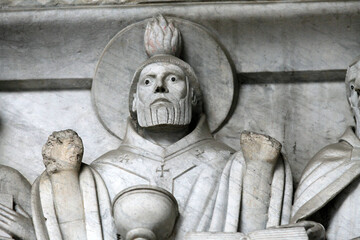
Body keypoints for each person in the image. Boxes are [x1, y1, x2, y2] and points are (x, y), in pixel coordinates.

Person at [91, 15, 294, 239]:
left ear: (194, 97)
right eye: (147, 81)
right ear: (133, 102)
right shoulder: (103, 172)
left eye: (173, 80)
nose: (159, 87)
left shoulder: (229, 166)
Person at [291, 57, 360, 240]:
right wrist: (316, 231)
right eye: (356, 90)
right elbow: (303, 227)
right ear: (353, 99)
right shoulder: (329, 160)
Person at [31, 129, 116, 240]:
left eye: (77, 146)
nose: (75, 151)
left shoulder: (91, 177)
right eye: (70, 145)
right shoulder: (41, 184)